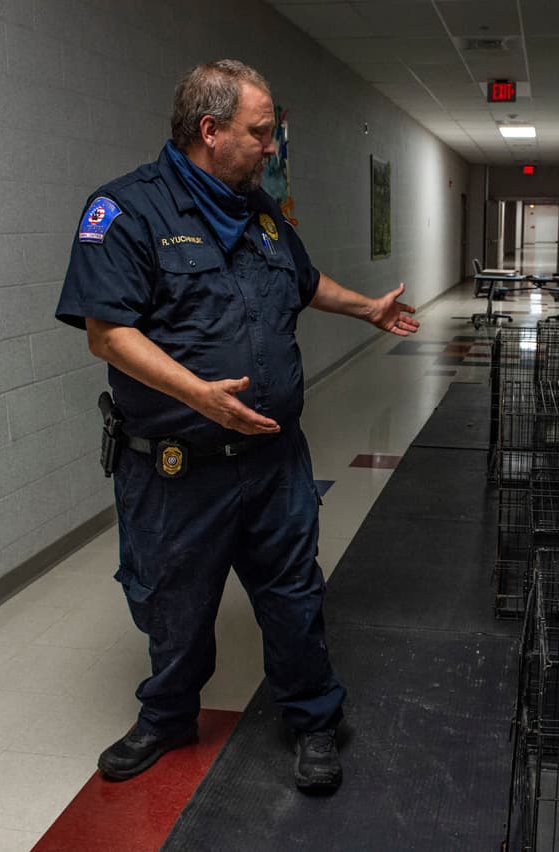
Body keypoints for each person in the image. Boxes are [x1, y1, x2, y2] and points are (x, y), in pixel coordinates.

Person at [55, 59, 418, 792]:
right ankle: (167, 718)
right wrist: (200, 397)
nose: (270, 147)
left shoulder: (261, 212)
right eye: (260, 133)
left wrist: (367, 309)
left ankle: (314, 720)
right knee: (175, 602)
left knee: (292, 595)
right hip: (178, 467)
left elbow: (306, 282)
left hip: (274, 459)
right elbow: (107, 334)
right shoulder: (126, 213)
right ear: (211, 131)